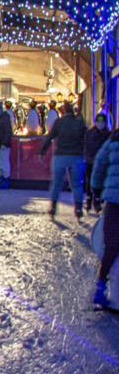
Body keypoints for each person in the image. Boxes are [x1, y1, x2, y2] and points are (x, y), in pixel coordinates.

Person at [40, 102, 87, 219]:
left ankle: (53, 208)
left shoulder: (59, 122)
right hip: (76, 156)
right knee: (76, 184)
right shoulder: (80, 123)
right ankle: (78, 208)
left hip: (60, 155)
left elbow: (50, 137)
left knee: (56, 183)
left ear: (63, 111)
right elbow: (86, 139)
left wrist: (42, 151)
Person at [89, 129, 119, 311]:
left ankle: (100, 287)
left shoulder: (114, 138)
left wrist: (96, 190)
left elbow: (99, 164)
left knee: (111, 246)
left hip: (113, 201)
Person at [85, 114, 111, 213]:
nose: (100, 124)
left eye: (102, 122)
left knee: (99, 182)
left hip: (102, 163)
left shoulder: (108, 134)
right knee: (90, 182)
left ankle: (97, 201)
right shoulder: (90, 133)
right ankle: (89, 200)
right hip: (91, 162)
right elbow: (87, 146)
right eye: (99, 122)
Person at [0, 105, 13, 189]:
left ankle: (5, 180)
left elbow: (8, 132)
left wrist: (4, 143)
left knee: (3, 163)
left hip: (2, 145)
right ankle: (1, 179)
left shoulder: (4, 119)